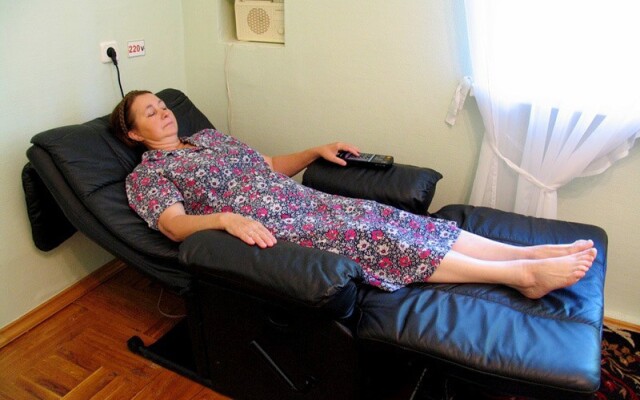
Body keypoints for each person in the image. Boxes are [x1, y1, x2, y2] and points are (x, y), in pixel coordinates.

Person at [110, 90, 597, 299]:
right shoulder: (148, 175)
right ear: (134, 134)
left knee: (389, 216)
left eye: (162, 105)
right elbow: (173, 225)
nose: (164, 113)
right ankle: (520, 277)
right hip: (271, 228)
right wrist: (224, 220)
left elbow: (267, 166)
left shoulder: (208, 138)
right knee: (371, 234)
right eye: (150, 113)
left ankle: (522, 253)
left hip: (300, 201)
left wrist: (314, 151)